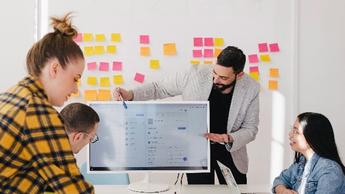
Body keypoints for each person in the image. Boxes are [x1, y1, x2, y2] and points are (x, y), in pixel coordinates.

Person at [113, 46, 260, 184]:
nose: (215, 79)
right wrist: (131, 94)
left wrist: (228, 138)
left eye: (223, 78)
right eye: (214, 73)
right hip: (196, 150)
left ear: (239, 75)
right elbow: (159, 88)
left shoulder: (251, 88)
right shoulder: (194, 74)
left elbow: (250, 128)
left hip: (230, 151)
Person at [0, 13, 94, 193]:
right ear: (55, 69)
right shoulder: (36, 110)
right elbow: (75, 190)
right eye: (75, 79)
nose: (76, 90)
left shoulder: (13, 95)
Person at [273, 112, 345, 194]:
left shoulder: (330, 170)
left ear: (312, 137)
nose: (290, 135)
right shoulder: (301, 162)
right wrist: (283, 191)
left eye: (296, 132)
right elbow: (279, 180)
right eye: (292, 130)